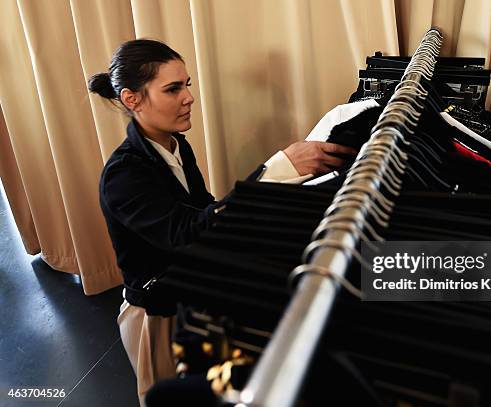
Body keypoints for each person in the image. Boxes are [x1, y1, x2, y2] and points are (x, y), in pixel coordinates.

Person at [88, 39, 356, 405]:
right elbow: (188, 233)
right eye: (172, 89)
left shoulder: (177, 145)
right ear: (132, 99)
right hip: (157, 315)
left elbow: (205, 212)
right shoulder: (123, 176)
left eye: (187, 85)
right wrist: (274, 171)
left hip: (192, 298)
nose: (188, 97)